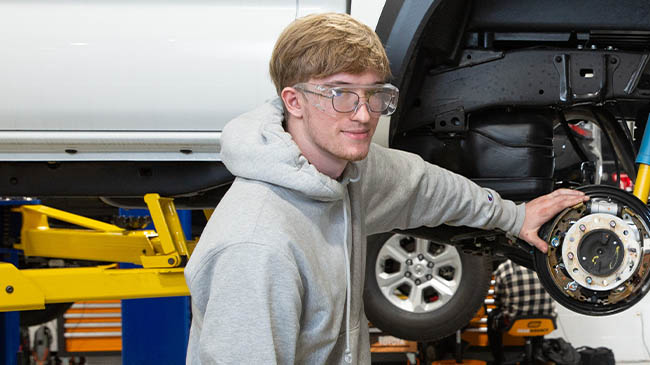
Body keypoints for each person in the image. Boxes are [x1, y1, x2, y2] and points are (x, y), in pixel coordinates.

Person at [184, 12, 588, 364]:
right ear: (294, 101)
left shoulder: (348, 173)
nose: (363, 115)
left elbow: (427, 186)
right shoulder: (257, 248)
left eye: (375, 94)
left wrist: (513, 215)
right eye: (341, 93)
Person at [488, 259, 556, 364]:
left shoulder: (504, 268)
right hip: (547, 322)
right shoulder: (545, 266)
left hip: (515, 323)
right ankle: (535, 354)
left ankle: (499, 360)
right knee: (539, 311)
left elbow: (498, 300)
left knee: (492, 317)